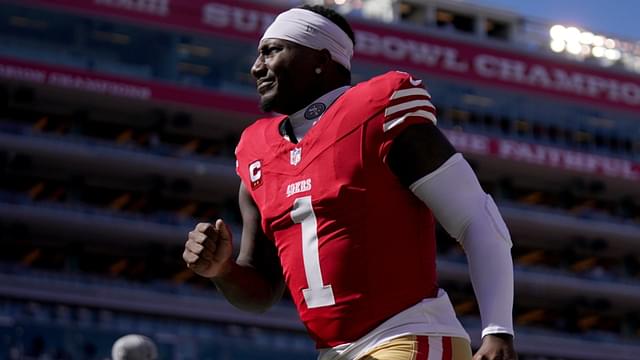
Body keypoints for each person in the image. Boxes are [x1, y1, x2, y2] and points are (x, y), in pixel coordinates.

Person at [183, 5, 517, 360]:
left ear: (320, 59)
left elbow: (476, 217)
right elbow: (261, 292)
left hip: (406, 335)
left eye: (271, 50)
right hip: (334, 352)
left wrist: (497, 329)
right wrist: (222, 270)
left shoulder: (377, 111)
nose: (256, 67)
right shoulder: (256, 152)